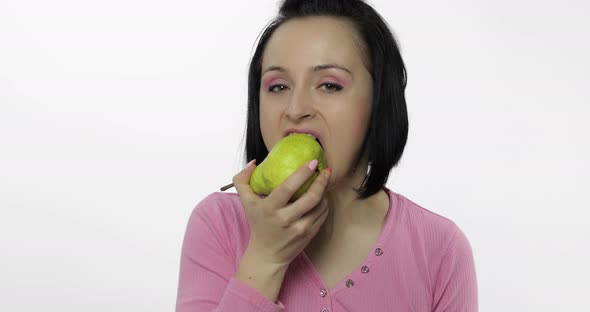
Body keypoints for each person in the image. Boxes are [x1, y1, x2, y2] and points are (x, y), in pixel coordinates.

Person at [175, 0, 478, 311]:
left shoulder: (441, 249)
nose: (295, 109)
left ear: (379, 102)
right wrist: (265, 258)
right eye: (278, 86)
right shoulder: (219, 225)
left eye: (329, 85)